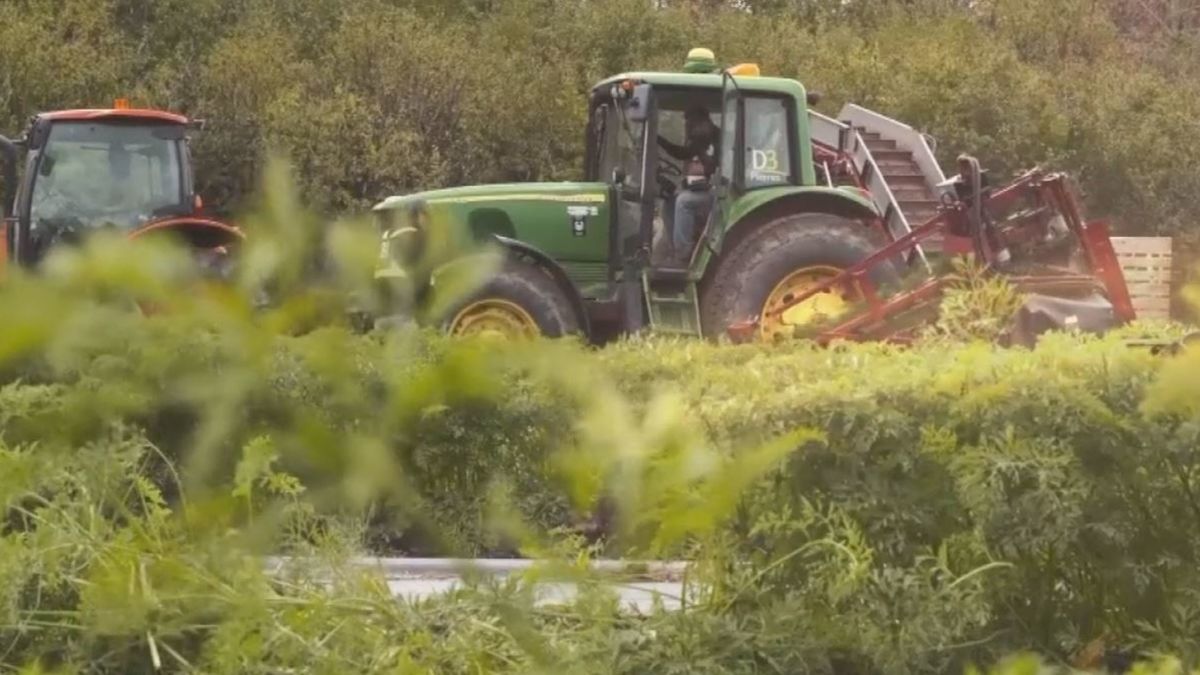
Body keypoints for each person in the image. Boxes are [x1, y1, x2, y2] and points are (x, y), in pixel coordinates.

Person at [658, 105, 719, 265]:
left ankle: (683, 255)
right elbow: (683, 153)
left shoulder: (718, 138)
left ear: (700, 121)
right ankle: (673, 251)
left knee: (684, 202)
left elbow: (714, 168)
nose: (687, 126)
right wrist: (659, 140)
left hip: (722, 194)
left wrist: (704, 171)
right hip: (706, 189)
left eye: (690, 122)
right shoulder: (700, 141)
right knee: (670, 201)